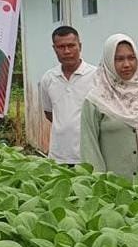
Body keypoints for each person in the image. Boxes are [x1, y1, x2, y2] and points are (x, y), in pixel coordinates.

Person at [81, 34, 138, 179]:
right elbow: (90, 149)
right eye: (119, 59)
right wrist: (100, 185)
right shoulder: (95, 101)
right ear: (108, 61)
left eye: (131, 58)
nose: (127, 64)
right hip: (114, 189)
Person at [39, 26, 97, 166]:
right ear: (54, 49)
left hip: (87, 156)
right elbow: (49, 114)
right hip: (58, 157)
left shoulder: (96, 76)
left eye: (71, 45)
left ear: (80, 46)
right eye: (61, 47)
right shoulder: (48, 79)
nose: (67, 51)